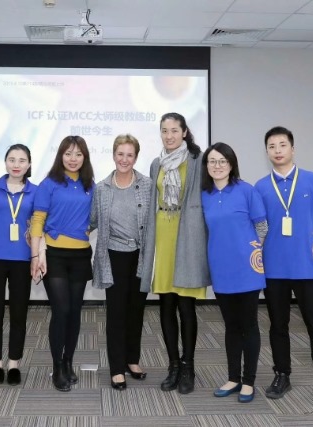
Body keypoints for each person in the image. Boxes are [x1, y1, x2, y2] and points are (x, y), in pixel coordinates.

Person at [254, 126, 313, 408]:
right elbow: (257, 229)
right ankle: (282, 374)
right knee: (278, 326)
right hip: (273, 268)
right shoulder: (261, 187)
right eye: (271, 146)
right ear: (266, 152)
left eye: (282, 145)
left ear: (292, 149)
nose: (277, 150)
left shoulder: (312, 180)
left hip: (307, 266)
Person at [140, 112, 210, 395]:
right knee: (166, 304)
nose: (168, 136)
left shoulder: (198, 160)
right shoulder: (156, 163)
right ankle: (173, 366)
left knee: (186, 306)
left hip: (187, 236)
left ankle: (188, 365)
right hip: (162, 237)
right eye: (164, 131)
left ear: (184, 132)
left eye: (173, 130)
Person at [201, 142, 267, 403]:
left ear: (231, 164)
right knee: (230, 326)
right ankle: (233, 378)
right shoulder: (204, 195)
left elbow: (262, 228)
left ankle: (248, 381)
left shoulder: (246, 190)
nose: (217, 165)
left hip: (247, 269)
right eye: (212, 161)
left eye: (222, 161)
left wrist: (251, 253)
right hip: (221, 269)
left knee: (249, 325)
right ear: (206, 166)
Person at [30, 135, 95, 392]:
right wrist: (35, 256)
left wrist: (88, 228)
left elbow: (96, 216)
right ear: (60, 156)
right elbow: (37, 220)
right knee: (61, 310)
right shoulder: (49, 184)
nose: (73, 158)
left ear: (85, 157)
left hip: (81, 255)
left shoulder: (91, 185)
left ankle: (68, 362)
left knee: (75, 312)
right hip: (54, 254)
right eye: (68, 153)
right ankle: (57, 366)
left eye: (78, 154)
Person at [90, 134, 152, 390]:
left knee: (136, 310)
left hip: (141, 255)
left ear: (135, 157)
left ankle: (132, 360)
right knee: (116, 313)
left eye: (130, 155)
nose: (124, 159)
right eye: (120, 154)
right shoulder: (102, 188)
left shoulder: (148, 185)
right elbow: (93, 220)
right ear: (113, 155)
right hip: (113, 255)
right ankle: (117, 368)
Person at [0, 144, 36, 386]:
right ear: (5, 162)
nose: (16, 164)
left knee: (18, 313)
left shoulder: (35, 191)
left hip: (22, 259)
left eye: (22, 160)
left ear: (29, 164)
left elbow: (38, 227)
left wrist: (38, 256)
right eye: (12, 159)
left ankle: (14, 363)